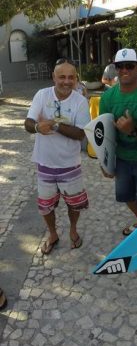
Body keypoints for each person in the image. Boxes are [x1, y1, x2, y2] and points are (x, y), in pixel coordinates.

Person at [24, 60, 90, 255]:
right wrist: (37, 127)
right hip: (45, 163)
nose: (66, 81)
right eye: (62, 77)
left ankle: (73, 230)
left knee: (74, 203)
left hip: (70, 164)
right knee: (46, 206)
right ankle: (52, 234)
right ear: (54, 77)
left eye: (71, 77)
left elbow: (80, 134)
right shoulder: (42, 95)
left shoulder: (80, 101)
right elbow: (28, 123)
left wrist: (53, 125)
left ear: (76, 79)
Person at [99, 48, 137, 234]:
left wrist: (132, 130)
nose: (124, 70)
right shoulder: (108, 97)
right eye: (119, 66)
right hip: (122, 158)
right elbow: (104, 133)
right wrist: (105, 162)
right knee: (125, 195)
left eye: (129, 66)